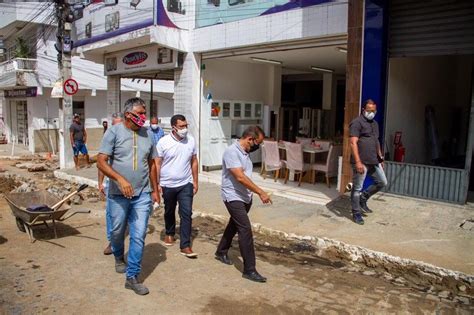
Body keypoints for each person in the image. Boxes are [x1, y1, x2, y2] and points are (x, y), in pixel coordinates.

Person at [97, 98, 159, 295]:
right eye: (140, 113)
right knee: (117, 231)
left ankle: (132, 276)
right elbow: (101, 161)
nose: (144, 117)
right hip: (117, 194)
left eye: (144, 113)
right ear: (128, 115)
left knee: (138, 235)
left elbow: (151, 164)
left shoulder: (148, 135)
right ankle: (118, 255)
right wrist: (120, 180)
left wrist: (156, 189)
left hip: (142, 193)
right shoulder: (113, 132)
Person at [215, 126, 272, 283]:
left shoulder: (245, 152)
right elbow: (240, 177)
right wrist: (260, 192)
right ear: (249, 139)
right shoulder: (232, 152)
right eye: (257, 143)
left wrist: (252, 193)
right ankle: (249, 270)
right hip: (232, 196)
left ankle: (221, 251)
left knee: (234, 224)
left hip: (245, 196)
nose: (258, 146)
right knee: (245, 229)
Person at [155, 114, 199, 258]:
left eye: (186, 126)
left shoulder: (191, 141)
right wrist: (157, 183)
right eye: (181, 126)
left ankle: (185, 245)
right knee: (169, 210)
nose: (184, 129)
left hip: (185, 183)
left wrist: (195, 181)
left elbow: (194, 161)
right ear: (173, 127)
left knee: (186, 213)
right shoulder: (163, 142)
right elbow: (157, 164)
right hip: (167, 184)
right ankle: (169, 233)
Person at [349, 99, 388, 225]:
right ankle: (356, 213)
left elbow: (376, 141)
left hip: (373, 160)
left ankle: (363, 198)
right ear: (363, 110)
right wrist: (358, 162)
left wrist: (380, 157)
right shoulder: (356, 123)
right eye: (369, 110)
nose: (371, 113)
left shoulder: (375, 124)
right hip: (361, 161)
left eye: (373, 111)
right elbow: (353, 142)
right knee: (357, 188)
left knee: (382, 182)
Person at [98, 112, 124, 255]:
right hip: (112, 184)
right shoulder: (108, 139)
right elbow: (102, 163)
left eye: (120, 124)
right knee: (111, 214)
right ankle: (112, 242)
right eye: (115, 125)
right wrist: (100, 183)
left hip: (131, 185)